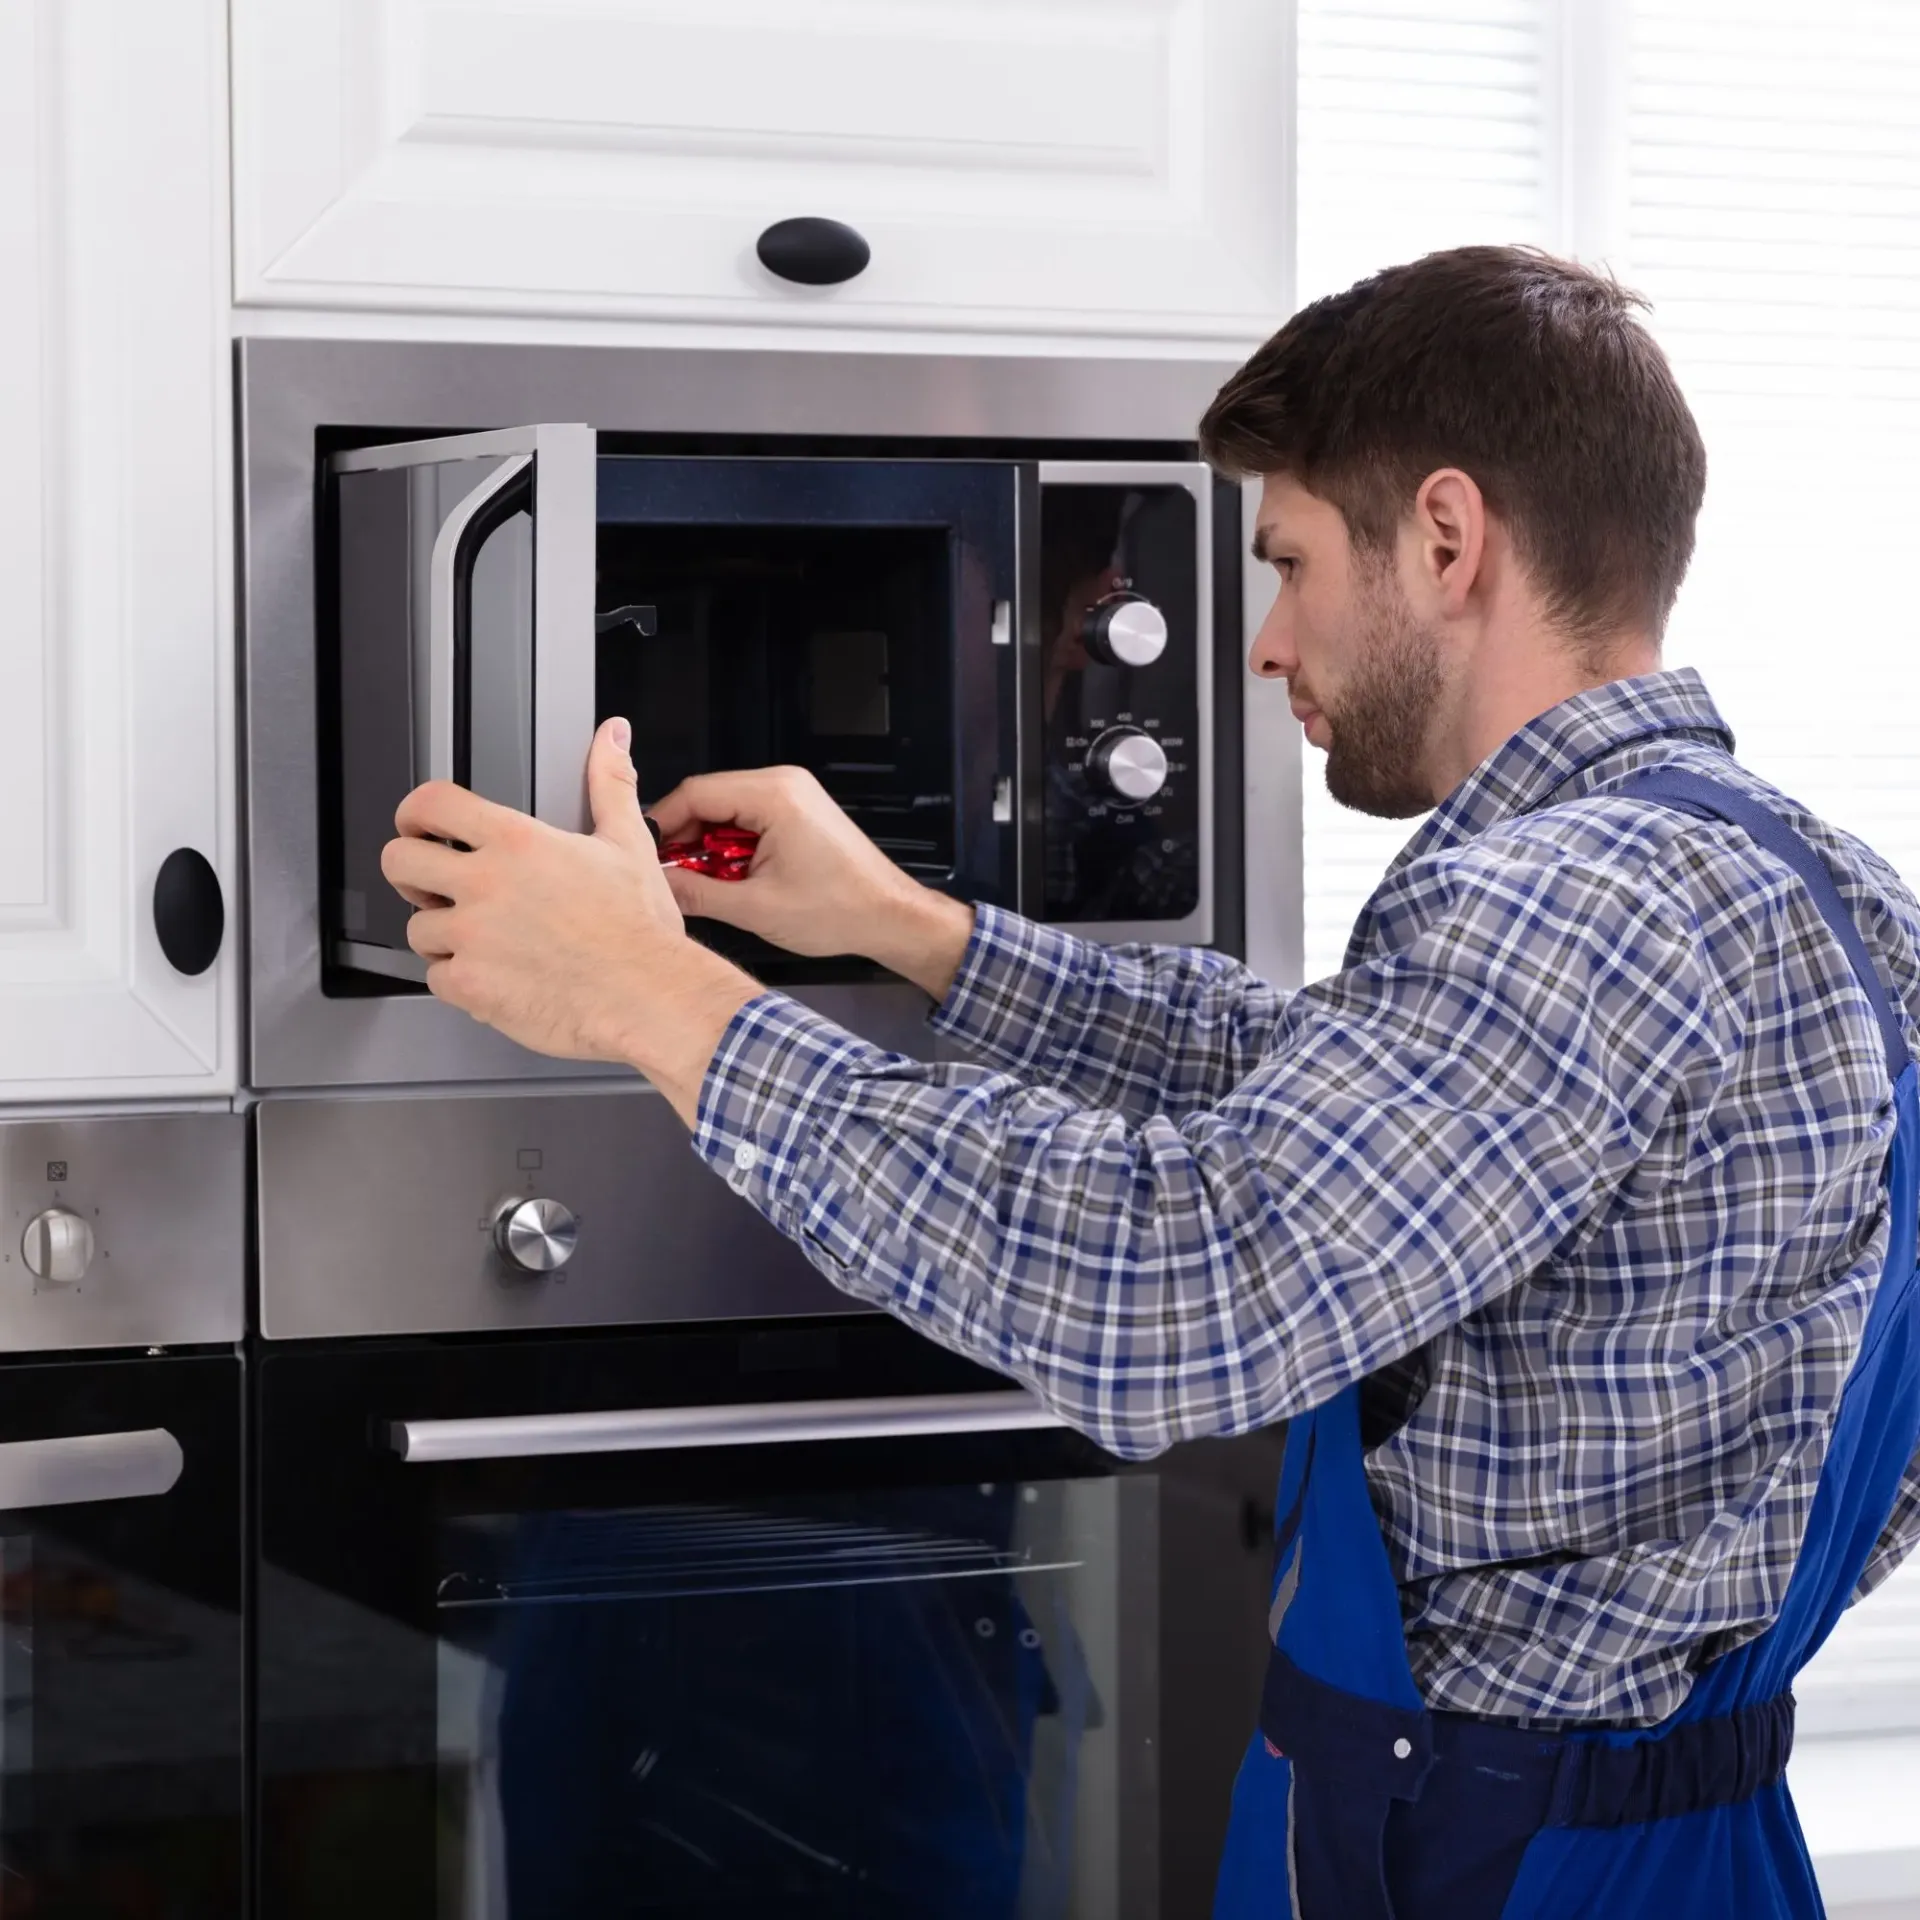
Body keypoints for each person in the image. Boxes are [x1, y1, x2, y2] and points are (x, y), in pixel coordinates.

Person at [379, 246, 1920, 1919]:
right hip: (1699, 1844)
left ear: (1451, 542)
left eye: (1293, 563)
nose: (1265, 645)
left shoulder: (1559, 904)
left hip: (1479, 1863)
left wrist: (658, 1000)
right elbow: (1343, 1102)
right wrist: (910, 929)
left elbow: (1173, 1288)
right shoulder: (1830, 896)